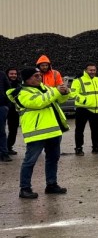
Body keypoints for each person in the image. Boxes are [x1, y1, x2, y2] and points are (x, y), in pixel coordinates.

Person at [8, 67, 71, 198]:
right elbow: (39, 102)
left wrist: (65, 92)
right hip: (36, 133)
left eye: (39, 75)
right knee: (30, 161)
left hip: (53, 131)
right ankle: (24, 189)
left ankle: (51, 184)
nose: (39, 77)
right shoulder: (21, 93)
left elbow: (60, 100)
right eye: (36, 76)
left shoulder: (45, 88)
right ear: (27, 79)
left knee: (53, 159)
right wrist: (55, 91)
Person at [70, 62, 98, 155]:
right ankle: (78, 148)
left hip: (96, 109)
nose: (92, 72)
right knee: (79, 130)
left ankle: (96, 147)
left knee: (96, 130)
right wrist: (85, 101)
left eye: (94, 70)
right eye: (90, 70)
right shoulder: (78, 80)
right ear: (86, 70)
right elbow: (73, 94)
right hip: (83, 109)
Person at [0, 67, 17, 161]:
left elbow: (8, 89)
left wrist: (7, 105)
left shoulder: (2, 74)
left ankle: (4, 153)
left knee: (1, 131)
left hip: (1, 106)